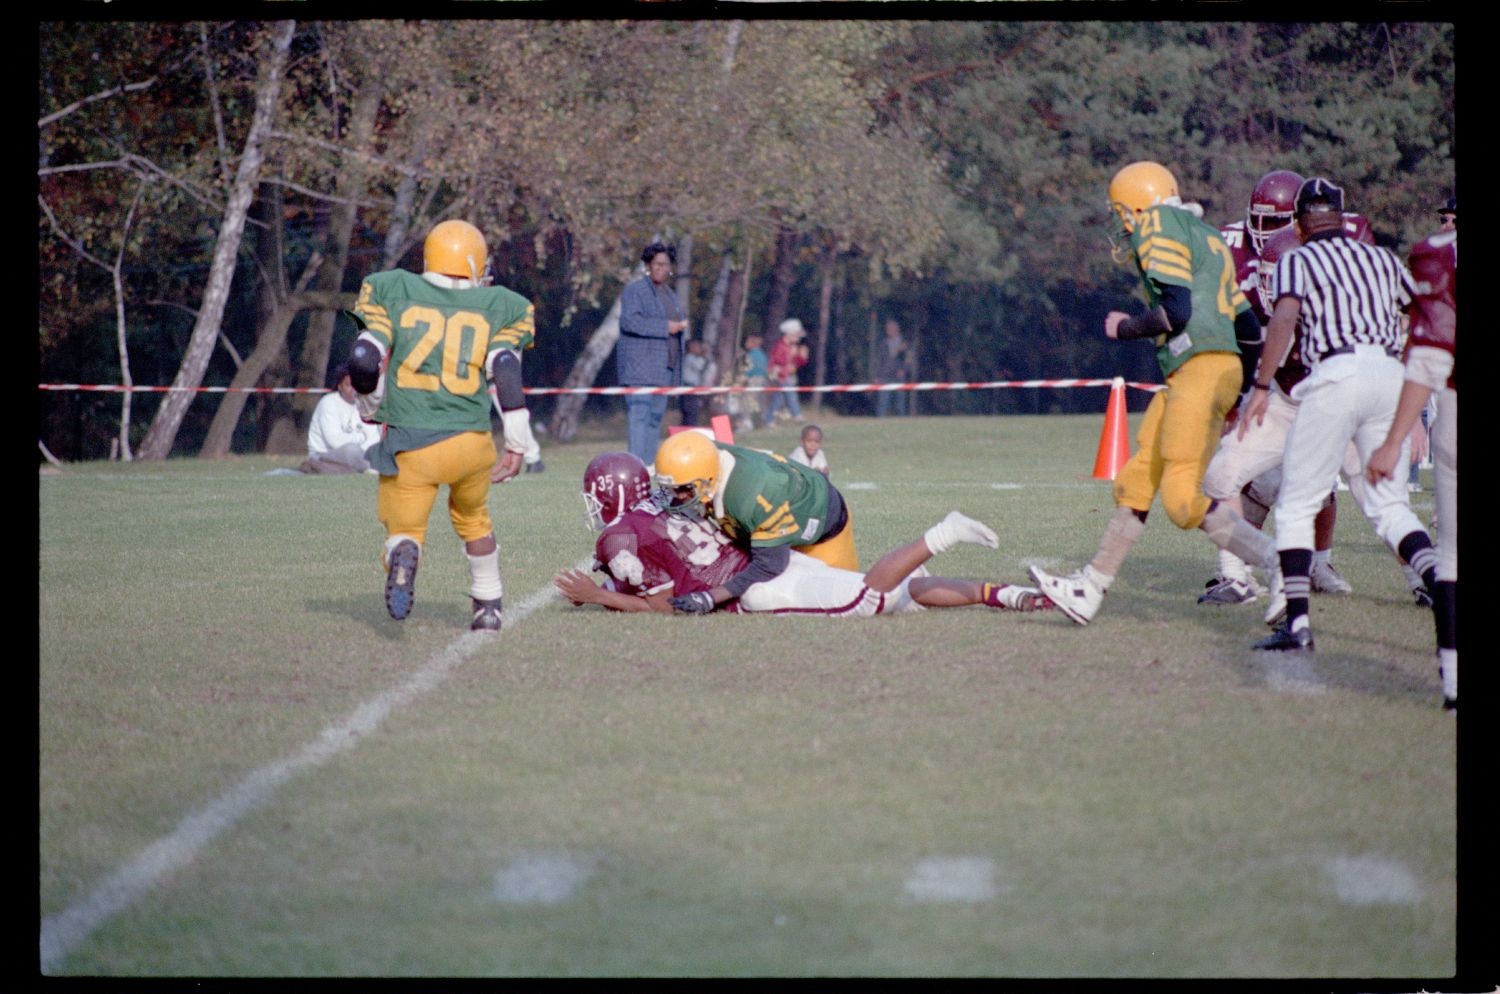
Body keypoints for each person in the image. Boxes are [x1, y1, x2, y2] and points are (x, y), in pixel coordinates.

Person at [1026, 161, 1280, 626]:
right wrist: (1239, 389)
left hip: (1199, 369)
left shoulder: (1157, 224)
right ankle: (1091, 587)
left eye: (1122, 211)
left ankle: (1283, 565)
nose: (1122, 222)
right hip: (1210, 371)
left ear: (1136, 206)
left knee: (1183, 499)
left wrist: (1124, 328)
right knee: (1138, 478)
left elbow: (1176, 312)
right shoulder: (1207, 235)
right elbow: (1247, 328)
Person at [1244, 177, 1439, 652]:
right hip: (1388, 374)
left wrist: (1262, 385)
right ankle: (1437, 578)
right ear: (1343, 215)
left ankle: (1297, 626)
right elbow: (1422, 316)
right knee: (1389, 507)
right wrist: (1413, 402)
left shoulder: (1296, 258)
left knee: (1295, 504)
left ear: (1298, 222)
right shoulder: (1379, 258)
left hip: (1334, 372)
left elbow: (1284, 319)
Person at [555, 451, 1051, 617]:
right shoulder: (670, 499)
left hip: (758, 590)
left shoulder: (619, 536)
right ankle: (1007, 596)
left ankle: (942, 534)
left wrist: (598, 595)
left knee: (868, 601)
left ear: (609, 496)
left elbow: (661, 606)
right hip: (768, 563)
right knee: (900, 595)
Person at [345, 218, 540, 632]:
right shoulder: (500, 305)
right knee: (474, 520)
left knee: (405, 527)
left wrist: (370, 403)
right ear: (473, 263)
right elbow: (504, 369)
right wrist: (518, 444)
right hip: (471, 441)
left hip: (412, 443)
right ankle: (488, 604)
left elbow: (363, 359)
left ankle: (403, 553)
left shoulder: (393, 289)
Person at [1366, 212, 1456, 707]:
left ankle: (1453, 683)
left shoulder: (1437, 257)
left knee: (1451, 555)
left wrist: (1400, 434)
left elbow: (1428, 351)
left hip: (1451, 406)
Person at [651, 428, 876, 613]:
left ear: (709, 478)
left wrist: (710, 598)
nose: (677, 496)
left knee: (851, 597)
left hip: (823, 526)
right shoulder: (706, 456)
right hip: (767, 517)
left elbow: (770, 564)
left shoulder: (755, 496)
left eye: (684, 489)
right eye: (671, 488)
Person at [617, 241, 688, 467]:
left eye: (665, 264)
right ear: (648, 265)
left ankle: (648, 468)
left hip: (665, 368)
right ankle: (636, 467)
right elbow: (630, 321)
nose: (661, 268)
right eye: (656, 264)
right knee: (639, 417)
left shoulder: (671, 295)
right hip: (640, 368)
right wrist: (665, 327)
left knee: (655, 419)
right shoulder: (635, 290)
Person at [299, 362, 382, 474]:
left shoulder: (366, 404)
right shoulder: (328, 403)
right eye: (348, 385)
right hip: (324, 456)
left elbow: (373, 439)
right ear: (340, 386)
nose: (354, 389)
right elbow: (335, 441)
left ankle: (367, 467)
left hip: (359, 456)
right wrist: (360, 438)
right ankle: (371, 468)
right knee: (352, 450)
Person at [762, 318, 809, 427]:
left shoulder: (792, 347)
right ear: (789, 334)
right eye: (796, 335)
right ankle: (797, 414)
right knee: (790, 392)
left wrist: (802, 357)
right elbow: (778, 363)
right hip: (780, 375)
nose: (798, 338)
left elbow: (796, 364)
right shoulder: (780, 346)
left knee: (778, 398)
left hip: (787, 375)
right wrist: (790, 360)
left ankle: (769, 419)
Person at [874, 318, 912, 417]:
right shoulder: (883, 343)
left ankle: (901, 425)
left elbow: (908, 359)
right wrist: (877, 376)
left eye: (890, 328)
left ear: (896, 329)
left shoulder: (904, 343)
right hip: (884, 377)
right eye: (887, 328)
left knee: (900, 404)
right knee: (882, 403)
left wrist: (904, 370)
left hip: (899, 377)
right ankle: (880, 424)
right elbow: (879, 361)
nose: (888, 330)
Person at [679, 337, 717, 428]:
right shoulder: (690, 358)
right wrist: (705, 355)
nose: (700, 348)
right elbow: (702, 366)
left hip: (693, 389)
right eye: (698, 346)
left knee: (692, 414)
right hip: (689, 389)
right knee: (690, 414)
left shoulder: (692, 358)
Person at [735, 332, 770, 432]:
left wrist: (743, 379)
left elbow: (749, 369)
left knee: (745, 401)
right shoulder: (762, 355)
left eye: (748, 341)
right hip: (762, 379)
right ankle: (759, 421)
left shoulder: (751, 355)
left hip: (754, 380)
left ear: (753, 343)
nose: (746, 343)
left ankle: (746, 423)